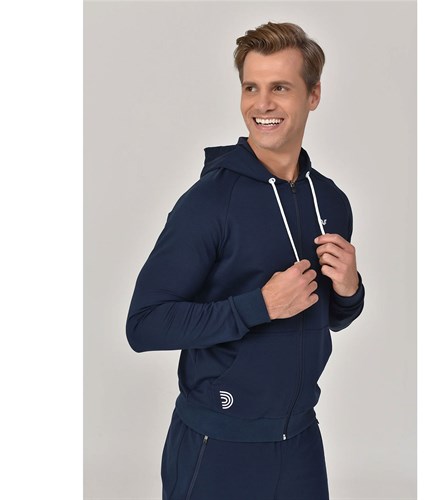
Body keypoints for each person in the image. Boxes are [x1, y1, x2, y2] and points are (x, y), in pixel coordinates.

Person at [126, 21, 365, 500]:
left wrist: (349, 292)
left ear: (314, 95)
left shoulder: (331, 200)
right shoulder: (209, 202)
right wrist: (260, 305)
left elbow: (329, 317)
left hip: (300, 442)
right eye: (251, 88)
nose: (262, 104)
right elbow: (144, 325)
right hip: (218, 444)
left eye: (280, 88)